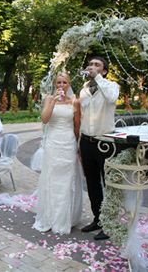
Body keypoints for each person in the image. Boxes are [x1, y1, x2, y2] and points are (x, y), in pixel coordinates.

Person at [32, 72, 83, 234]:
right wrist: (53, 102)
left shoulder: (75, 102)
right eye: (59, 83)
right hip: (53, 143)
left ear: (69, 84)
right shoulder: (49, 99)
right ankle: (50, 217)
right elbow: (45, 119)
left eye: (64, 83)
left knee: (67, 181)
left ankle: (65, 218)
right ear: (55, 84)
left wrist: (78, 147)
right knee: (51, 178)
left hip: (68, 143)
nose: (61, 85)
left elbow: (77, 126)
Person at [79, 56, 120, 241]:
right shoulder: (84, 90)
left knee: (108, 184)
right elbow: (83, 116)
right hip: (86, 142)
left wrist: (98, 79)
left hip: (105, 143)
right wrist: (79, 144)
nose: (92, 67)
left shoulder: (111, 86)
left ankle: (110, 223)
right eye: (90, 64)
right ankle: (98, 219)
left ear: (104, 71)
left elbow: (111, 98)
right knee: (92, 184)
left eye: (97, 65)